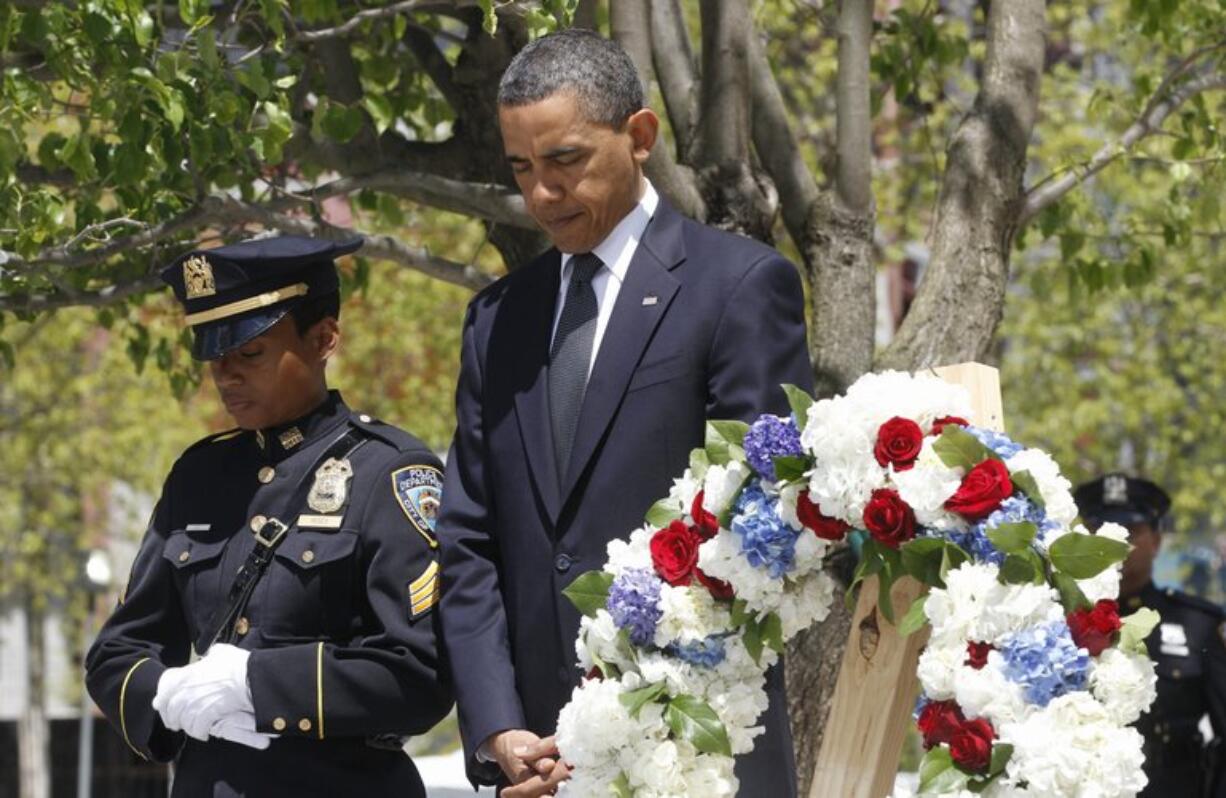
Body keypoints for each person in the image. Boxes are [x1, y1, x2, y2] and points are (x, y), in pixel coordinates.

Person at [435, 28, 814, 798]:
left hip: (696, 754)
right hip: (536, 766)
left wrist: (620, 724)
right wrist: (500, 727)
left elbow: (757, 531)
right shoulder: (496, 320)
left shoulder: (738, 288)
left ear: (639, 136)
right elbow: (469, 540)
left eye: (566, 161)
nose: (541, 194)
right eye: (521, 169)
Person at [84, 235, 452, 797]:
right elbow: (117, 652)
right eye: (214, 355)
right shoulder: (199, 476)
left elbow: (422, 672)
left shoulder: (390, 473)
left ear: (324, 338)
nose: (226, 374)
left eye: (249, 353)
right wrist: (168, 697)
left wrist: (259, 687)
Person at [1075, 473, 1226, 797]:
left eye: (1130, 531)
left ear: (1156, 541)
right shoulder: (1057, 622)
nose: (1115, 542)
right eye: (1099, 530)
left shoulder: (1198, 624)